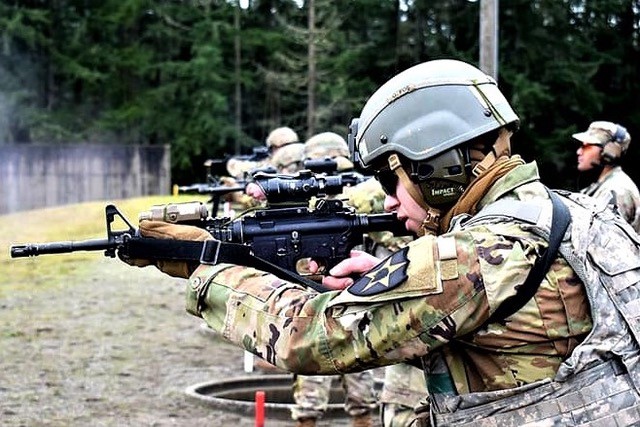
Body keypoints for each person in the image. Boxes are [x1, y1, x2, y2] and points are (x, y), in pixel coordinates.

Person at [124, 59, 640, 426]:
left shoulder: (482, 249)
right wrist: (379, 285)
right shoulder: (579, 213)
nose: (390, 201)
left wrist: (207, 269)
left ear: (436, 167)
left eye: (392, 178)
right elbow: (519, 345)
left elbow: (313, 337)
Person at [290, 132, 378, 427]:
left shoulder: (320, 195)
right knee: (359, 384)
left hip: (323, 301)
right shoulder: (365, 191)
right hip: (354, 300)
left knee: (312, 385)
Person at [572, 121, 640, 232]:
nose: (579, 151)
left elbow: (600, 241)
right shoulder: (603, 186)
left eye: (587, 146)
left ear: (610, 151)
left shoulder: (617, 191)